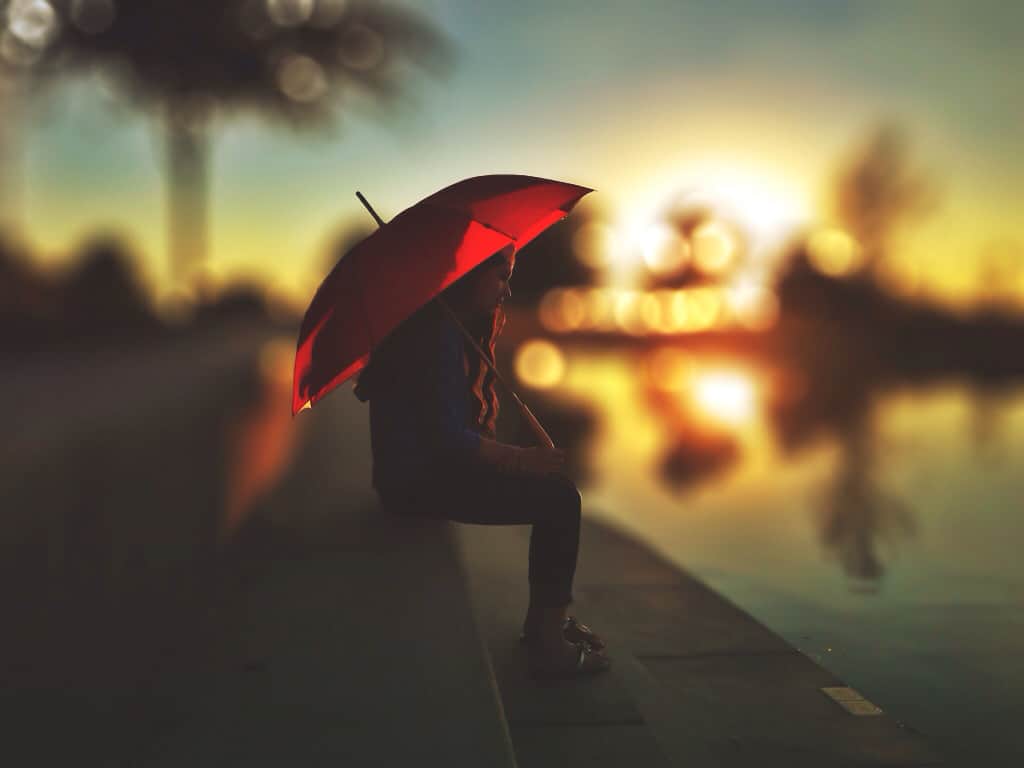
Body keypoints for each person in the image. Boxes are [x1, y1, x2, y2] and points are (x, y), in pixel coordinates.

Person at [353, 246, 609, 678]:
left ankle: (543, 622)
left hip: (405, 477)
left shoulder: (436, 327)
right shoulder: (435, 335)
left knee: (555, 494)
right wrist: (523, 460)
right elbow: (448, 441)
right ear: (468, 275)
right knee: (561, 500)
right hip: (417, 484)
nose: (506, 289)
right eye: (500, 275)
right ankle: (548, 641)